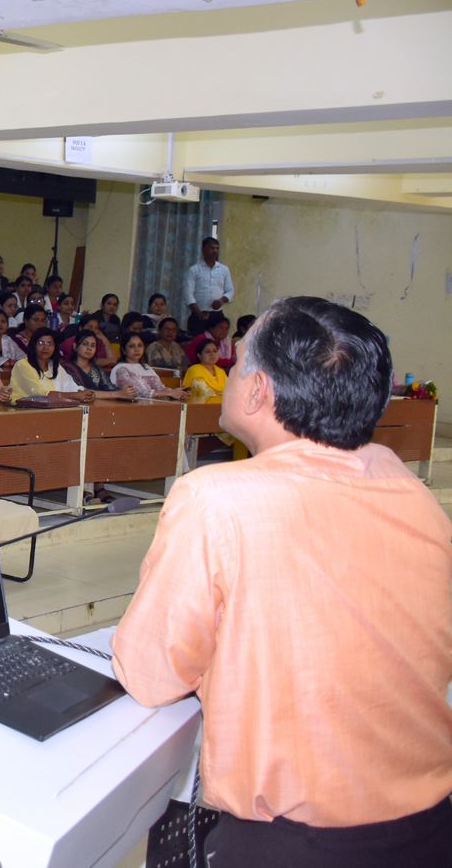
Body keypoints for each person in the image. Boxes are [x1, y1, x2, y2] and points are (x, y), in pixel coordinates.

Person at [112, 297, 452, 867]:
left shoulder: (216, 498)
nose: (227, 373)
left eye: (237, 363)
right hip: (430, 826)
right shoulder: (412, 494)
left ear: (258, 391)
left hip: (297, 842)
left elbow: (150, 675)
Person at [9, 329, 92, 404]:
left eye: (50, 343)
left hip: (52, 410)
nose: (45, 347)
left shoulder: (55, 366)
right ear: (34, 345)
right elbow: (40, 395)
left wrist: (87, 395)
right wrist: (75, 396)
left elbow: (72, 387)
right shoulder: (22, 365)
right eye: (41, 343)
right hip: (23, 411)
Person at [112, 333, 187, 401]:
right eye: (132, 346)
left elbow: (160, 388)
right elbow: (135, 392)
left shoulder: (146, 367)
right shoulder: (120, 369)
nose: (137, 349)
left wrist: (177, 392)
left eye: (140, 345)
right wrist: (169, 393)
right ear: (124, 350)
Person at [183, 236, 234, 335]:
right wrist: (199, 313)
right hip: (199, 314)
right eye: (212, 248)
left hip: (217, 315)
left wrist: (221, 301)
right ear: (203, 250)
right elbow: (188, 294)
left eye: (217, 248)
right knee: (198, 341)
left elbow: (230, 290)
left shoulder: (224, 269)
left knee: (218, 341)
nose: (215, 251)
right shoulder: (194, 270)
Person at [65, 329, 137, 399]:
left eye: (92, 345)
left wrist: (125, 391)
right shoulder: (68, 368)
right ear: (75, 346)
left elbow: (110, 388)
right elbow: (82, 392)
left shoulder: (96, 369)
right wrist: (118, 394)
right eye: (85, 344)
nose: (89, 348)